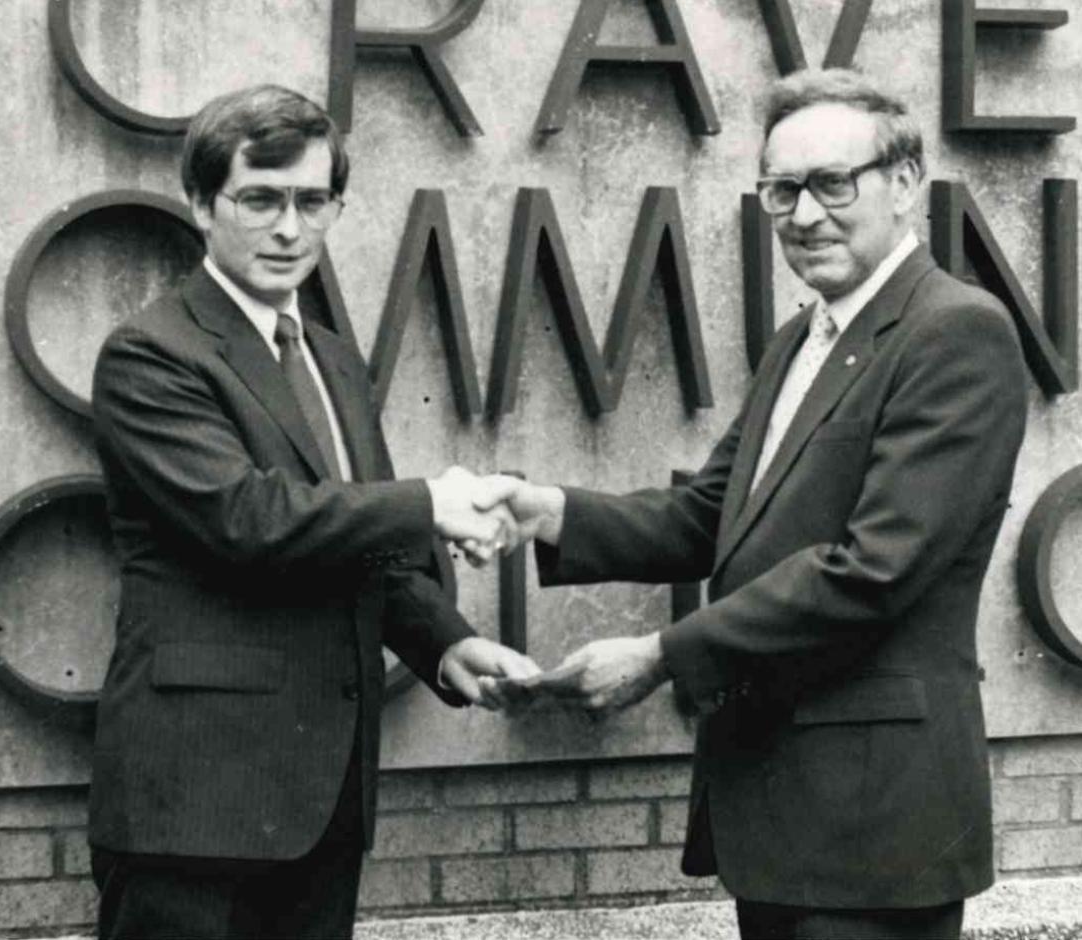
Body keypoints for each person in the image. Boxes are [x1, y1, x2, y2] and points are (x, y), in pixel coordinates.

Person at [486, 68, 1028, 940]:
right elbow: (711, 516)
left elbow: (874, 570)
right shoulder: (804, 337)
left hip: (874, 835)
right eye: (782, 190)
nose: (804, 216)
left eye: (831, 184)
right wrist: (544, 510)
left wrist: (661, 655)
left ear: (904, 182)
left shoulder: (956, 331)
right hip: (783, 817)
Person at [88, 84, 536, 939]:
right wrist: (433, 503)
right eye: (260, 199)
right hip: (195, 807)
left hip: (323, 802)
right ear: (200, 204)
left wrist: (447, 644)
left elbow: (360, 544)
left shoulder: (332, 359)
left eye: (313, 201)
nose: (290, 229)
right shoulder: (151, 352)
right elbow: (249, 520)